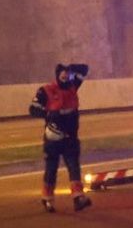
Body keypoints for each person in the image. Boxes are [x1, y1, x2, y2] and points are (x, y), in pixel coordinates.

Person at [30, 62, 91, 212]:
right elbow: (33, 109)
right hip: (54, 137)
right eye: (62, 73)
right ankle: (47, 199)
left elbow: (85, 69)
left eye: (67, 73)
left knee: (74, 167)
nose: (65, 75)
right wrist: (49, 115)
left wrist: (71, 67)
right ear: (57, 75)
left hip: (70, 136)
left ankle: (78, 197)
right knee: (51, 168)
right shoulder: (46, 90)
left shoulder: (73, 86)